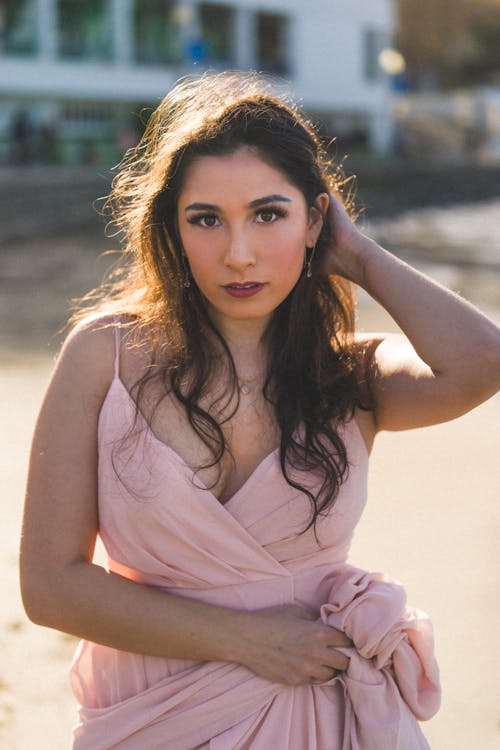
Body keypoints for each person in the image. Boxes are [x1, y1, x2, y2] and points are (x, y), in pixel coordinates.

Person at [20, 72, 500, 750]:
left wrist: (359, 256)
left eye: (268, 214)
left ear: (316, 221)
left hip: (313, 719)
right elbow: (50, 586)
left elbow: (483, 361)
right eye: (206, 219)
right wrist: (247, 641)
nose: (238, 253)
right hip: (154, 717)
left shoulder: (351, 376)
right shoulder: (108, 355)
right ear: (173, 229)